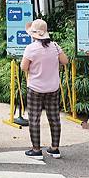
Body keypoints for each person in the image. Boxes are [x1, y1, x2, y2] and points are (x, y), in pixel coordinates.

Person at [21, 19, 69, 160]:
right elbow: (65, 61)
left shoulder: (31, 48)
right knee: (54, 118)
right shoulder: (55, 46)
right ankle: (55, 149)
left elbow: (24, 67)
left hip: (35, 88)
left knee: (34, 118)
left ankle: (36, 150)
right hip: (53, 88)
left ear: (33, 34)